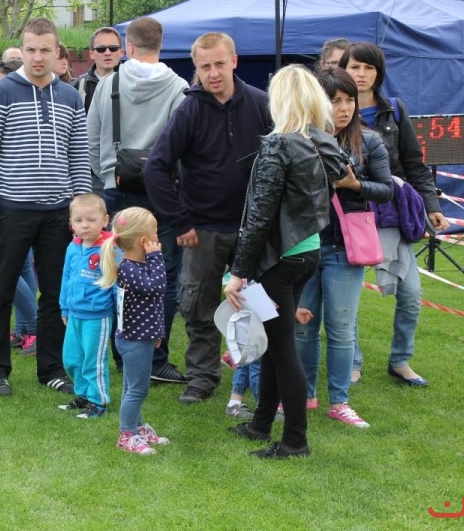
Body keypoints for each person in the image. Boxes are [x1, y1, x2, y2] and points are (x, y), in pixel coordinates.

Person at [224, 64, 347, 459]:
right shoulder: (323, 143)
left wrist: (238, 273)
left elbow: (260, 216)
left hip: (279, 261)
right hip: (305, 253)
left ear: (279, 100)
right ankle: (261, 424)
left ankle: (295, 441)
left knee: (281, 350)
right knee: (276, 346)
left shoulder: (279, 145)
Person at [144, 32, 272, 405]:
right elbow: (156, 167)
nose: (213, 73)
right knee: (199, 306)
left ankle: (262, 380)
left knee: (260, 305)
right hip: (202, 229)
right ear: (196, 69)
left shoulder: (263, 104)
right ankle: (203, 378)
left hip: (254, 228)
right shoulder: (189, 110)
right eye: (204, 67)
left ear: (234, 61)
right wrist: (180, 221)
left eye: (219, 64)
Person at [0, 17, 90, 397]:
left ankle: (51, 368)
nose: (38, 57)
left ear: (57, 52)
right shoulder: (0, 92)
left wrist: (81, 211)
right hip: (12, 210)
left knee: (56, 294)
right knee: (0, 291)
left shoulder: (71, 96)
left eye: (45, 50)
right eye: (31, 50)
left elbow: (78, 156)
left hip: (59, 213)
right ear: (21, 51)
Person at [87, 16, 190, 383]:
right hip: (163, 192)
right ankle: (155, 358)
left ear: (128, 47)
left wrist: (104, 175)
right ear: (161, 45)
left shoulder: (108, 84)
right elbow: (184, 144)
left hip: (117, 186)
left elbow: (92, 137)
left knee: (117, 271)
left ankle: (122, 352)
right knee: (163, 274)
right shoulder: (179, 88)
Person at [339, 41, 448, 386]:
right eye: (355, 67)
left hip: (391, 212)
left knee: (411, 294)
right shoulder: (332, 109)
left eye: (368, 67)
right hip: (349, 214)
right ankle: (352, 361)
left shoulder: (395, 110)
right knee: (348, 296)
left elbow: (414, 165)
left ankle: (400, 360)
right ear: (344, 69)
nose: (361, 74)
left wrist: (432, 206)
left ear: (379, 72)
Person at [295, 67, 393, 428]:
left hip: (345, 249)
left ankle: (339, 401)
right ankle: (304, 395)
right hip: (304, 245)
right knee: (303, 327)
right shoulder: (300, 139)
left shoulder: (369, 142)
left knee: (341, 328)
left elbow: (388, 189)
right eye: (335, 100)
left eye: (350, 99)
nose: (344, 107)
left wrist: (355, 185)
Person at [96, 207, 171, 455]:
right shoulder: (130, 268)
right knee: (137, 389)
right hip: (134, 340)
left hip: (141, 337)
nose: (158, 237)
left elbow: (152, 304)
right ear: (143, 241)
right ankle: (127, 435)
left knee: (132, 387)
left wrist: (157, 332)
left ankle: (137, 427)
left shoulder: (136, 266)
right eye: (155, 232)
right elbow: (158, 288)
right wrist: (156, 257)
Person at [58, 193, 113, 419]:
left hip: (97, 316)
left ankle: (98, 402)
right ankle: (83, 395)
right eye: (79, 220)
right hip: (74, 313)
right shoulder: (73, 247)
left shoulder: (109, 248)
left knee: (94, 361)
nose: (85, 225)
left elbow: (117, 282)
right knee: (72, 358)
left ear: (105, 220)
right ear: (71, 223)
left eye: (91, 220)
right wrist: (64, 307)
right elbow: (66, 277)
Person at [74, 27, 125, 113]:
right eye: (101, 49)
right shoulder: (78, 87)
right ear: (91, 54)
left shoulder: (134, 83)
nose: (107, 53)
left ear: (121, 52)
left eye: (113, 48)